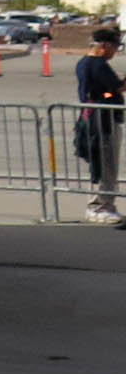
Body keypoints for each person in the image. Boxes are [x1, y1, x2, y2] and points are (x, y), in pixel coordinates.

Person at [77, 26, 124, 227]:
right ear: (104, 46)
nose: (115, 52)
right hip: (103, 121)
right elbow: (113, 89)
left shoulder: (84, 63)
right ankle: (99, 207)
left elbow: (105, 91)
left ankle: (105, 204)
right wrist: (115, 91)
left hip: (95, 118)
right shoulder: (98, 65)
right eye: (115, 47)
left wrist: (110, 92)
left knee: (103, 164)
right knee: (106, 165)